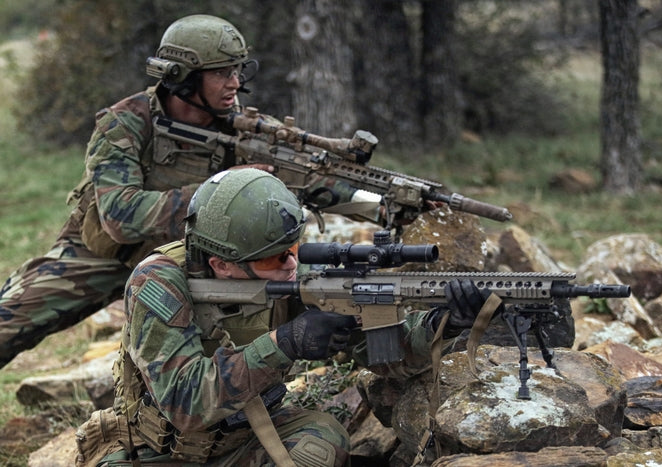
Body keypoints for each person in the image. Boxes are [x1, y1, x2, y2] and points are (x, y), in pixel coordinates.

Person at [0, 14, 379, 369]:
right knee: (10, 320)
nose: (235, 83)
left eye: (238, 70)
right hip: (102, 256)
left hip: (193, 261)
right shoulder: (126, 123)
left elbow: (317, 182)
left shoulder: (248, 132)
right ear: (181, 77)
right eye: (221, 73)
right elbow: (119, 216)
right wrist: (219, 189)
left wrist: (380, 205)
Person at [73, 168, 494, 466]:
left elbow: (385, 355)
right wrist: (284, 343)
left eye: (294, 249)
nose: (292, 265)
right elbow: (184, 403)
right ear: (222, 265)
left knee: (321, 444)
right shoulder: (158, 282)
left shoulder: (295, 276)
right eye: (275, 258)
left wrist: (446, 323)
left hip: (247, 441)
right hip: (156, 452)